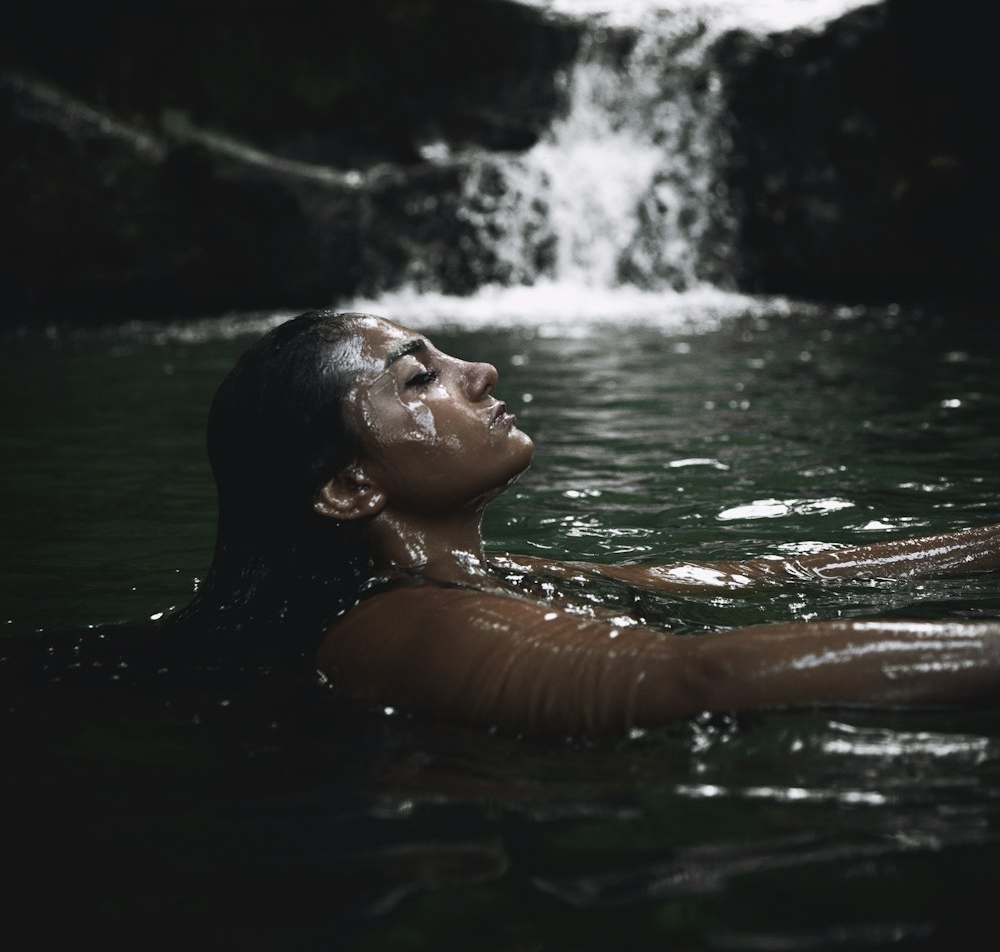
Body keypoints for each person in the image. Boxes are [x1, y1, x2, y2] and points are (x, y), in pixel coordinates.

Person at [177, 309, 1000, 735]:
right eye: (419, 379)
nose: (479, 370)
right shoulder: (416, 625)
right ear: (350, 487)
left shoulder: (483, 578)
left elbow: (764, 578)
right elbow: (693, 678)